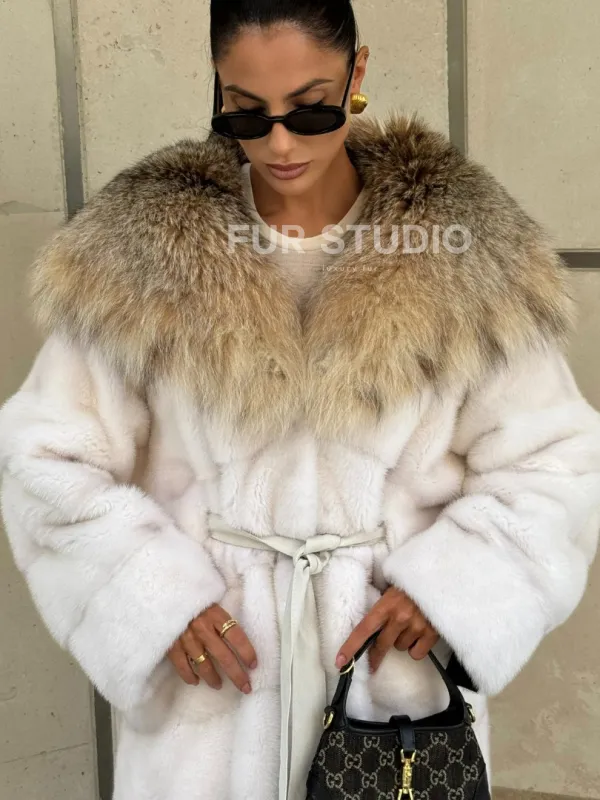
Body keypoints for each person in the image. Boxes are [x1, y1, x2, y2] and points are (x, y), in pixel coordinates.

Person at [1, 0, 600, 798]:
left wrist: (452, 587)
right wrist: (148, 596)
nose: (280, 144)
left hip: (390, 699)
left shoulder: (462, 254)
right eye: (247, 114)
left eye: (311, 109)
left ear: (357, 74)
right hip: (213, 708)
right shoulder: (144, 256)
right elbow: (44, 456)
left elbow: (556, 460)